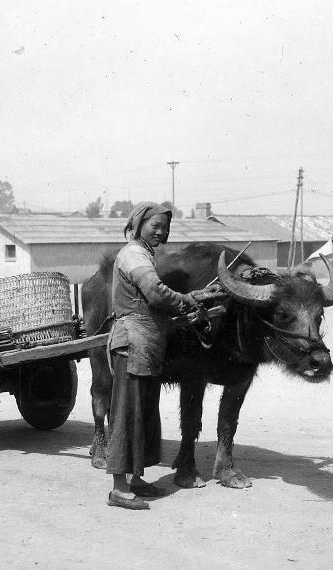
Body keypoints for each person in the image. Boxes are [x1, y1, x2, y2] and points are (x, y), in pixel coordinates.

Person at [106, 202, 201, 510]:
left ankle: (134, 480)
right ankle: (119, 489)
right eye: (155, 226)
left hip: (147, 346)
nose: (161, 232)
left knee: (143, 414)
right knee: (127, 414)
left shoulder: (144, 254)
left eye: (165, 227)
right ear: (138, 224)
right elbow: (157, 293)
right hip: (132, 343)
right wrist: (187, 300)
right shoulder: (133, 254)